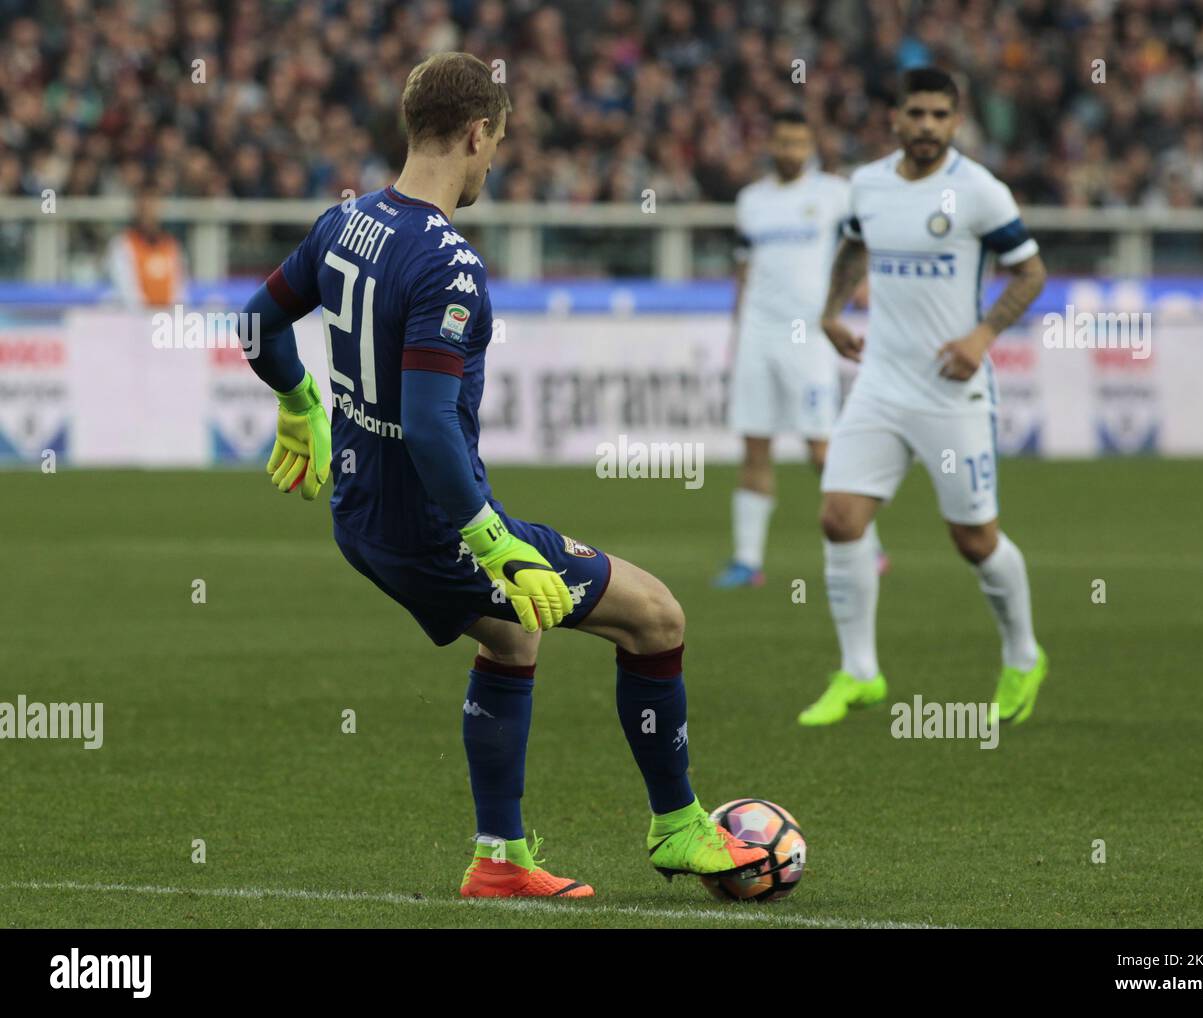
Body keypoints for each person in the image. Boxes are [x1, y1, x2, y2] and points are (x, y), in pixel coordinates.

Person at [238, 52, 766, 898]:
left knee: (513, 637)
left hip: (360, 517)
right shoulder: (449, 265)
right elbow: (429, 423)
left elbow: (259, 324)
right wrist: (495, 543)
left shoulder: (344, 222)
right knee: (657, 618)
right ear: (478, 132)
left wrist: (300, 401)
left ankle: (500, 858)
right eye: (497, 146)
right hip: (434, 530)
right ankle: (679, 830)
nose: (493, 164)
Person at [801, 68, 1049, 728]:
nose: (928, 126)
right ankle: (859, 672)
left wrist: (983, 335)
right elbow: (853, 245)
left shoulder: (978, 192)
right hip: (881, 383)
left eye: (941, 115)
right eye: (917, 113)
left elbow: (1031, 271)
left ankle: (1023, 655)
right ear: (896, 118)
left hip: (952, 390)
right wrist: (830, 311)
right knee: (839, 518)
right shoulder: (868, 185)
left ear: (957, 122)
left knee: (974, 540)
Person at [716, 109, 887, 588]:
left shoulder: (834, 194)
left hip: (809, 333)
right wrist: (736, 331)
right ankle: (747, 562)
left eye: (798, 142)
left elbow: (863, 245)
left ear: (811, 145)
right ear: (770, 144)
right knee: (754, 445)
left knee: (820, 447)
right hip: (756, 334)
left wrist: (860, 286)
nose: (790, 150)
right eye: (783, 141)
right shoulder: (752, 200)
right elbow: (744, 268)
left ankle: (868, 546)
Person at [106, 185, 185, 309]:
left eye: (153, 205)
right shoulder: (123, 245)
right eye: (144, 206)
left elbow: (179, 290)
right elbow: (127, 292)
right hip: (137, 322)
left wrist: (171, 320)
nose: (149, 212)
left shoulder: (172, 246)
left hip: (168, 321)